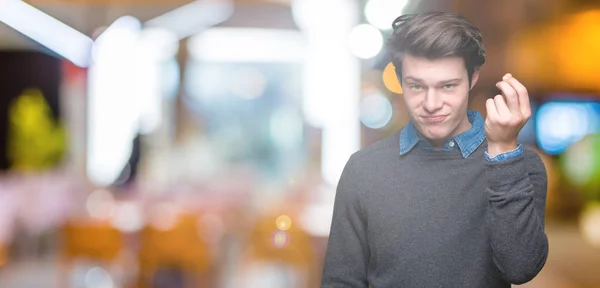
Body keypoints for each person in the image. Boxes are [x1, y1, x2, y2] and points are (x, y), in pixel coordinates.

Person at [321, 12, 548, 288]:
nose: (431, 103)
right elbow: (340, 283)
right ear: (399, 78)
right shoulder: (364, 170)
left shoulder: (518, 165)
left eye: (448, 86)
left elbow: (520, 268)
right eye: (416, 86)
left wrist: (502, 151)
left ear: (473, 78)